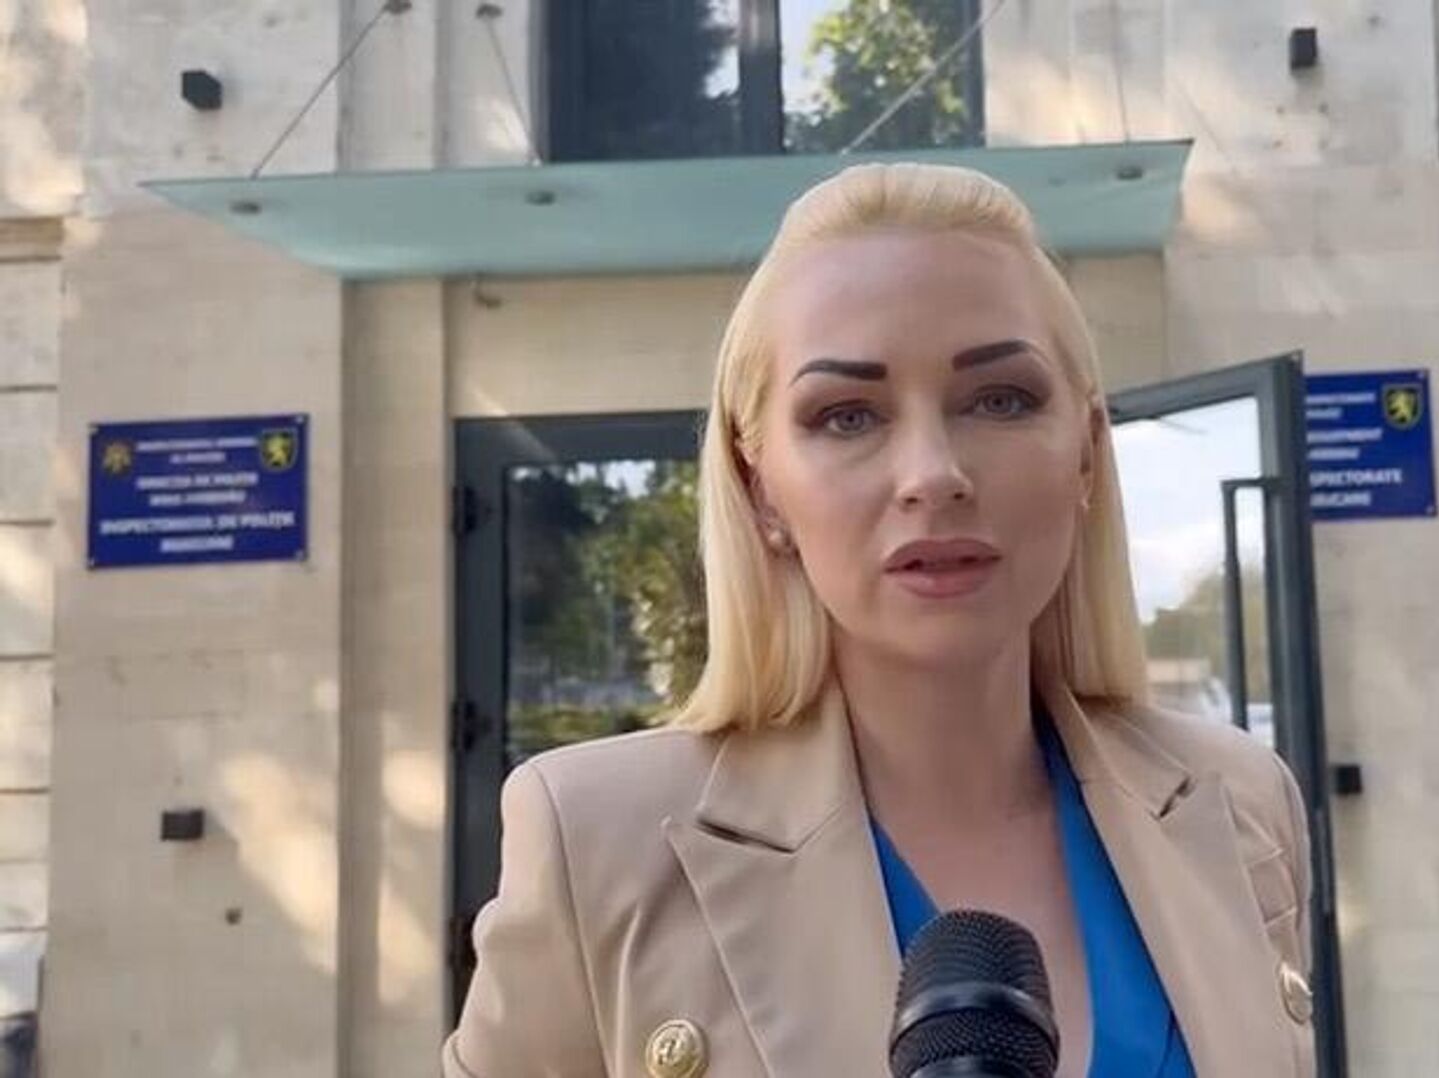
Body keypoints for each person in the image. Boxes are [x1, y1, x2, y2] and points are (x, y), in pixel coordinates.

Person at [443, 162, 1317, 1078]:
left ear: (1087, 456)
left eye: (1001, 399)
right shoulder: (596, 839)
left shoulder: (1240, 802)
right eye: (847, 415)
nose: (933, 474)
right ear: (759, 487)